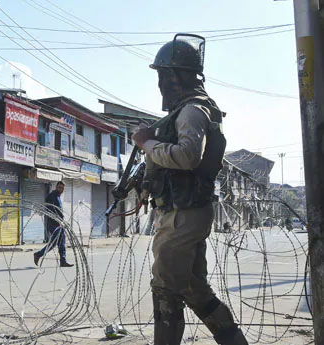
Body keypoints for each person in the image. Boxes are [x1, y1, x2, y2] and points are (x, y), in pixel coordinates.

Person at [132, 34, 248, 345]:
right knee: (194, 289)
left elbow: (186, 156)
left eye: (163, 75)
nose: (160, 84)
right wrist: (147, 184)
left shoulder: (193, 111)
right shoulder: (185, 110)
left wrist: (147, 143)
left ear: (174, 76)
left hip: (185, 214)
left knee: (166, 291)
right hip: (182, 210)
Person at [33, 181, 74, 268]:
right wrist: (59, 220)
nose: (61, 189)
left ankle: (63, 261)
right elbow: (52, 210)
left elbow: (58, 210)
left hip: (59, 223)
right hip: (53, 224)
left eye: (62, 188)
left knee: (62, 242)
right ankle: (38, 254)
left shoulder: (57, 197)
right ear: (56, 187)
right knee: (54, 242)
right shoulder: (52, 196)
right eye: (59, 187)